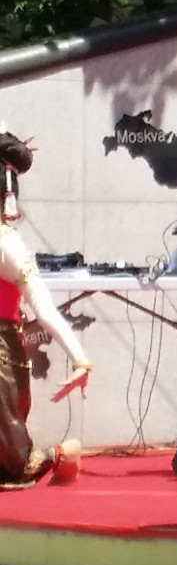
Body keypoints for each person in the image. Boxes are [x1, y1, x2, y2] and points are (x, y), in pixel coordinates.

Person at [0, 130, 86, 487]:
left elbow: (44, 307)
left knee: (11, 470)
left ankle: (60, 454)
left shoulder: (7, 246)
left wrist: (81, 359)